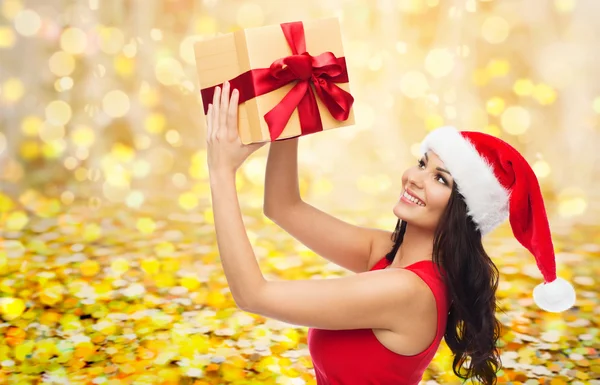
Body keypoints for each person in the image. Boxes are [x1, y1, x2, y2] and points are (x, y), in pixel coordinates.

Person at [205, 84, 576, 385]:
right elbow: (283, 207)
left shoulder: (407, 291)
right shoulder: (387, 253)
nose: (414, 177)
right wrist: (291, 107)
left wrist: (221, 171)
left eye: (440, 179)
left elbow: (253, 295)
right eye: (421, 164)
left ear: (464, 213)